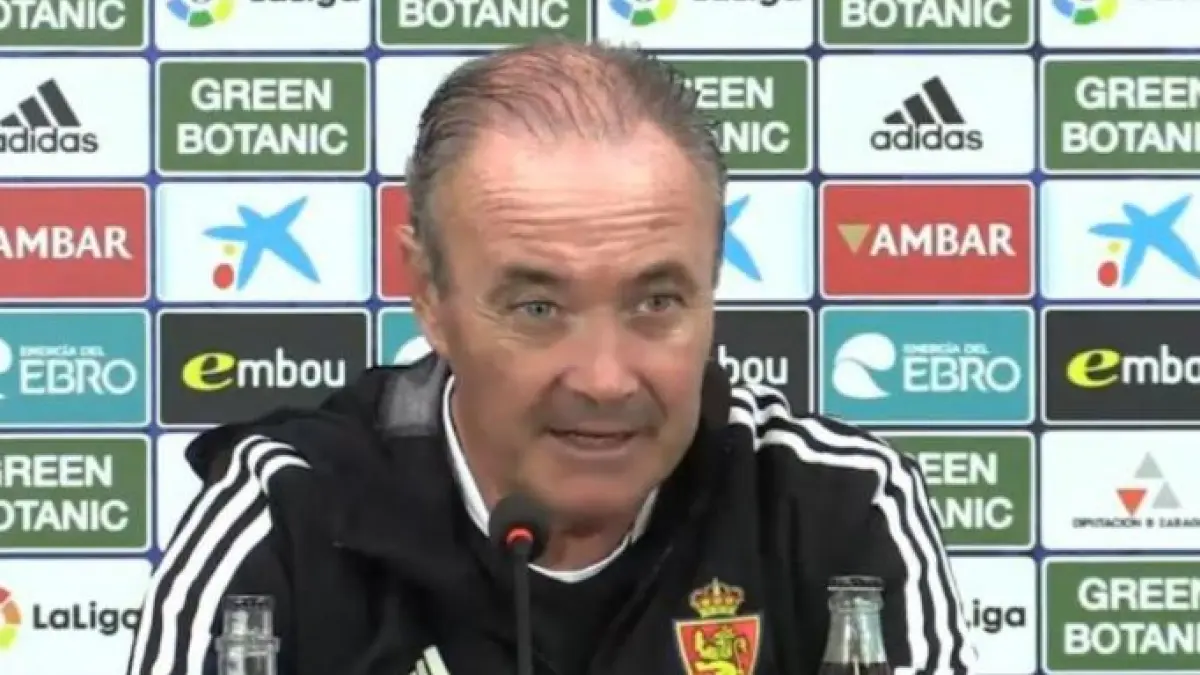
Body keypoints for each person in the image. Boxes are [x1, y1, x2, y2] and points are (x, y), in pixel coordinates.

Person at [127, 39, 976, 675]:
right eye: (538, 308)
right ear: (428, 294)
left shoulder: (833, 503)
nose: (605, 378)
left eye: (656, 302)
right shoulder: (286, 514)